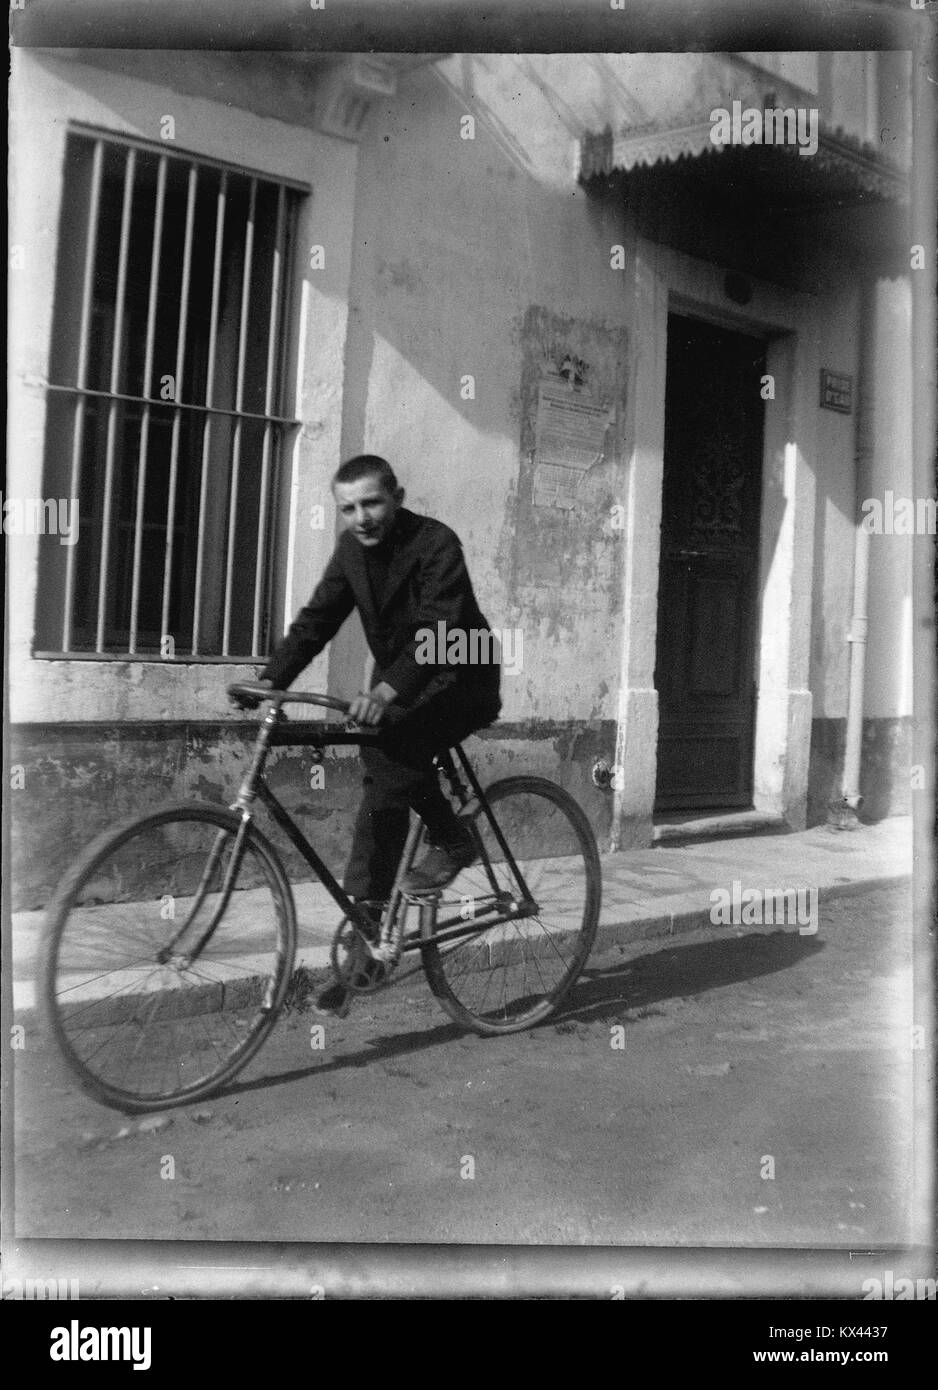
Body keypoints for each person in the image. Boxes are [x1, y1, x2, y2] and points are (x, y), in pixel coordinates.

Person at [233, 455, 501, 1009]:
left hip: (460, 670)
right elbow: (318, 619)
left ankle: (453, 840)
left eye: (372, 502)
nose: (361, 517)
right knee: (382, 792)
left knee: (394, 762)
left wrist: (383, 693)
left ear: (397, 497)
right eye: (348, 508)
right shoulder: (352, 551)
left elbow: (441, 629)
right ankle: (368, 950)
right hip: (402, 682)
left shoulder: (437, 543)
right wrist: (270, 679)